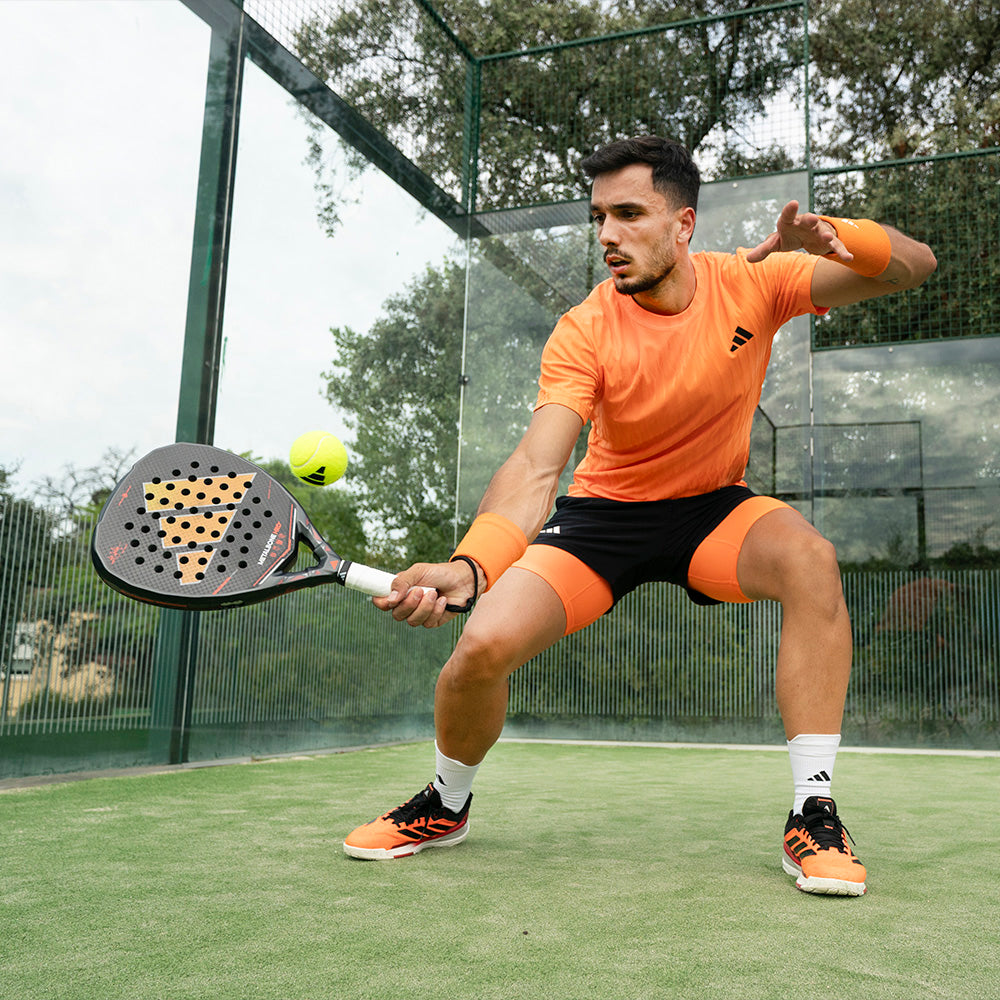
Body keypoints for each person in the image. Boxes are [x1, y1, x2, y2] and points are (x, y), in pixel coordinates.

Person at [342, 136, 937, 896]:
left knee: (809, 558)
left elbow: (914, 267)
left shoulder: (754, 281)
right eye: (599, 218)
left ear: (683, 224)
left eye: (628, 214)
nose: (608, 236)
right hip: (603, 518)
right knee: (480, 647)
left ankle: (813, 812)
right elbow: (537, 465)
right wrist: (472, 564)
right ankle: (446, 804)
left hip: (712, 510)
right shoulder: (584, 329)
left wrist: (839, 237)